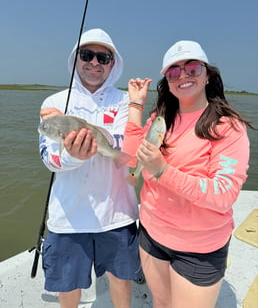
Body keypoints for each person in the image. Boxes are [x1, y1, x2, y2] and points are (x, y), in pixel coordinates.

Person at [122, 40, 251, 308]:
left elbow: (223, 194)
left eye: (192, 68)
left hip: (199, 249)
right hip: (152, 234)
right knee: (161, 302)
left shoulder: (227, 126)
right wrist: (135, 107)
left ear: (207, 75)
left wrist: (163, 171)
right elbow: (133, 159)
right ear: (167, 81)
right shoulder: (161, 117)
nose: (183, 75)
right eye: (173, 72)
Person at [39, 28, 142, 308]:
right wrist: (74, 155)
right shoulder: (54, 104)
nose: (94, 62)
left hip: (117, 214)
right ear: (76, 58)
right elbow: (49, 158)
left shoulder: (125, 102)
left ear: (113, 63)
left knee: (121, 278)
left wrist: (95, 144)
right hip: (67, 217)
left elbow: (129, 146)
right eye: (87, 55)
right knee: (68, 284)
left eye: (103, 57)